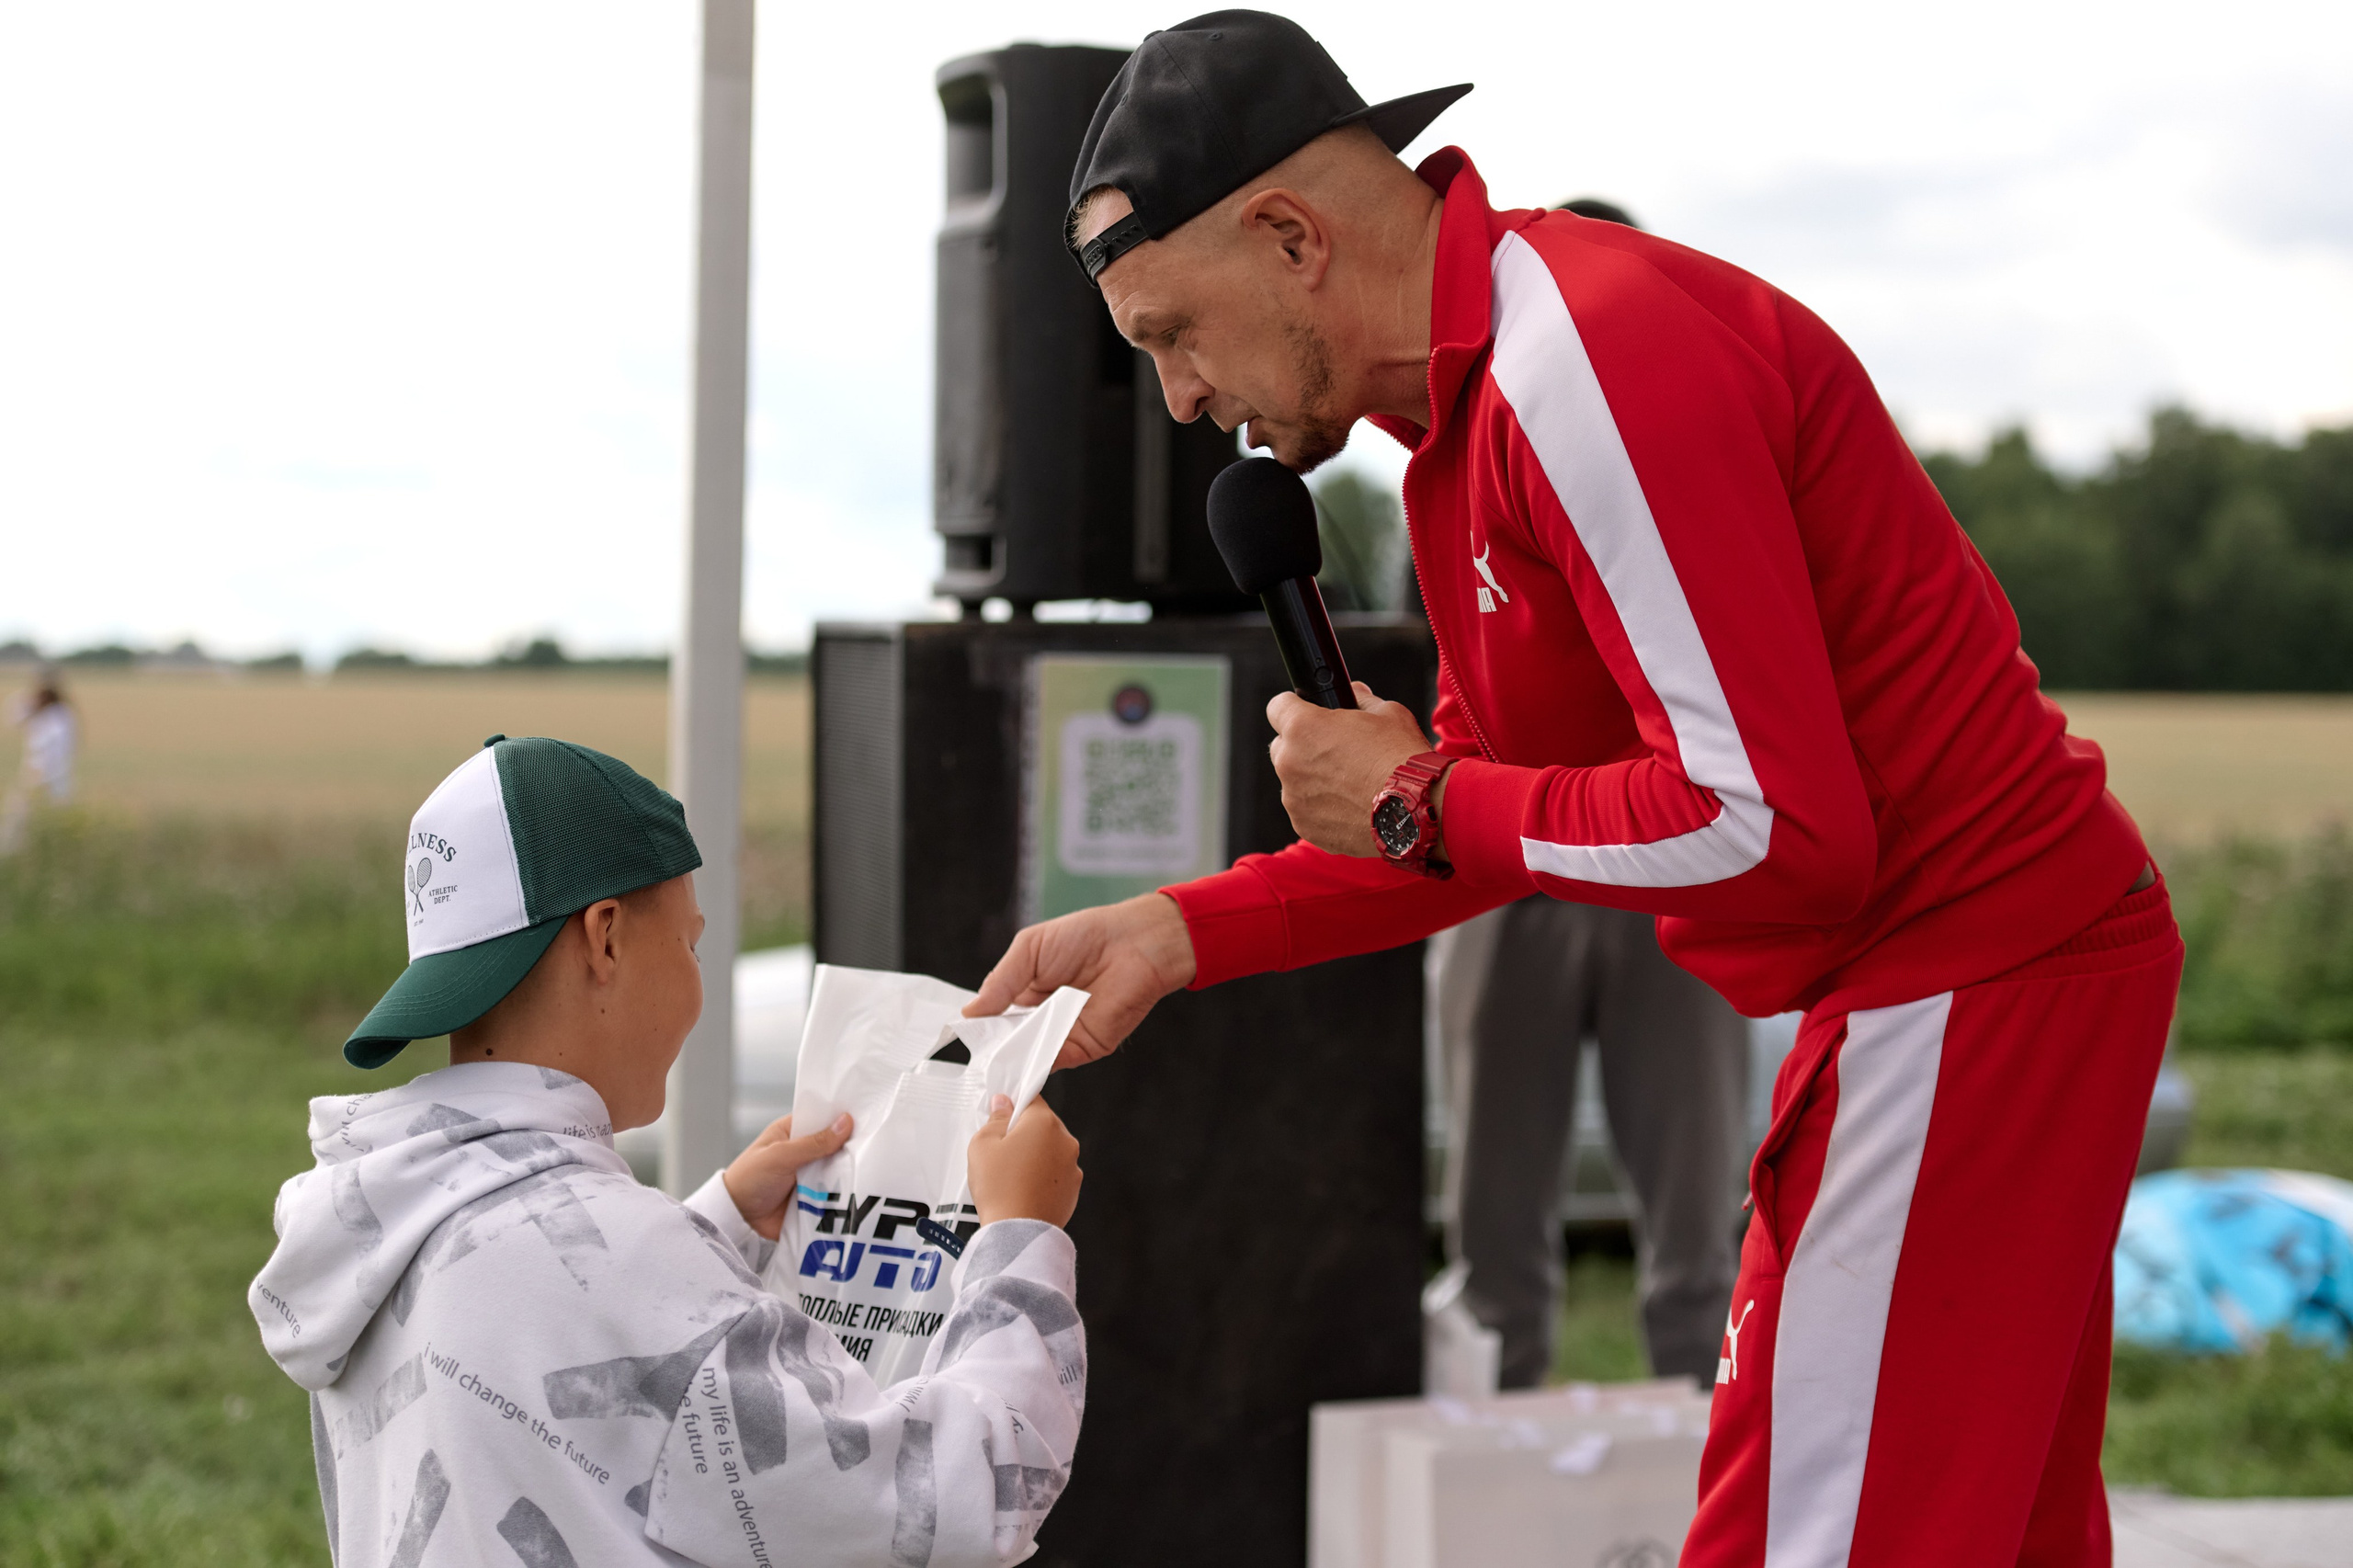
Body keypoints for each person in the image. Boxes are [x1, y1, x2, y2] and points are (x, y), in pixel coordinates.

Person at [972, 13, 2178, 1565]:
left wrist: (1415, 796)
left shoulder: (1578, 365)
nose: (1185, 401)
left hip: (1964, 982)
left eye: (1170, 336)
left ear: (1292, 238)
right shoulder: (1474, 425)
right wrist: (1177, 928)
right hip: (1983, 982)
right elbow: (1495, 819)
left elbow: (1768, 831)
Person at [250, 735, 1087, 1568]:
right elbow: (965, 1500)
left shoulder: (393, 1222)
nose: (696, 984)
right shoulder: (629, 1264)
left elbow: (554, 1337)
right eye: (689, 944)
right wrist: (1020, 1239)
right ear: (605, 938)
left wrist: (715, 1229)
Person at [1435, 197, 1748, 1392]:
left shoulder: (1680, 448)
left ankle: (1712, 1485)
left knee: (1698, 1234)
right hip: (1512, 871)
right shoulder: (1480, 450)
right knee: (1492, 1234)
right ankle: (1490, 1477)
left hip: (1670, 871)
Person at [1, 664, 77, 852]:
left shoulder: (61, 716)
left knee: (49, 821)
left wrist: (40, 779)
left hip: (51, 780)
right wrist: (30, 701)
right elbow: (12, 717)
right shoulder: (38, 711)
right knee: (19, 824)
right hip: (34, 777)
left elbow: (57, 754)